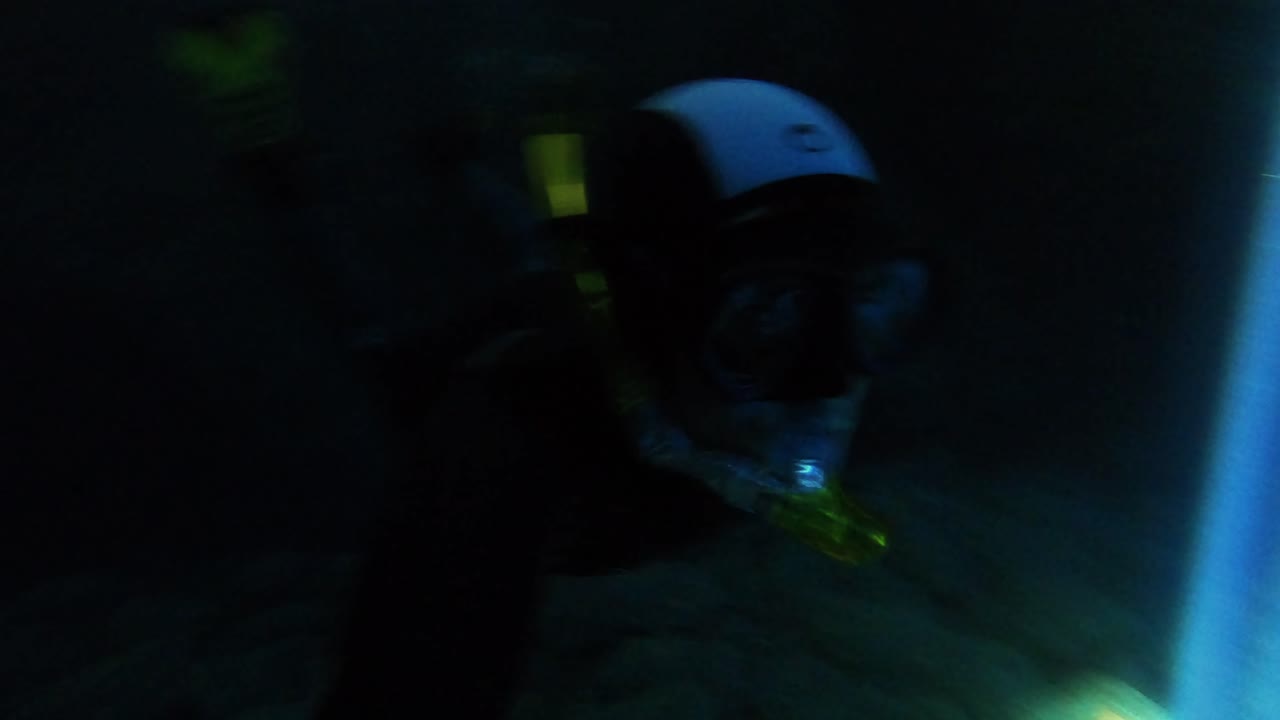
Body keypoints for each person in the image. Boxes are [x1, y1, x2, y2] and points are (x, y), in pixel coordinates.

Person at [162, 8, 933, 716]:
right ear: (661, 315)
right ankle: (278, 154)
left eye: (876, 302)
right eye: (767, 314)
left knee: (549, 255)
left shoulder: (695, 365)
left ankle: (452, 157)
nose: (833, 378)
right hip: (485, 367)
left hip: (588, 315)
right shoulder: (503, 437)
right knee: (381, 321)